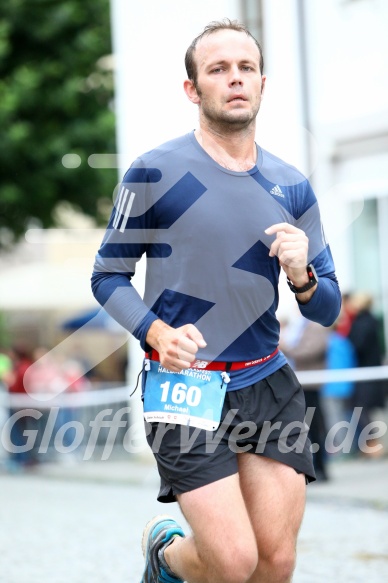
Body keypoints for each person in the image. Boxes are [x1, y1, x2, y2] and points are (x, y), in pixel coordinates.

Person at [92, 19, 341, 583]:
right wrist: (155, 333)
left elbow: (325, 308)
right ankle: (166, 555)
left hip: (266, 382)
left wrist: (302, 276)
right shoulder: (155, 172)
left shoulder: (291, 186)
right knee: (232, 562)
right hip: (186, 387)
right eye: (218, 69)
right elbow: (107, 274)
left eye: (245, 68)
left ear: (261, 83)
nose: (234, 79)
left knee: (275, 563)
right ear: (193, 89)